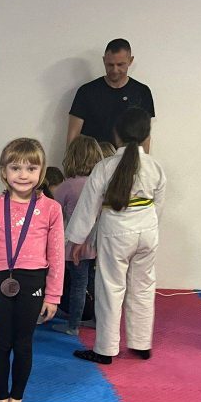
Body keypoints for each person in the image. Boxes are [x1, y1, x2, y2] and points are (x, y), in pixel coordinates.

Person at [0, 138, 64, 402]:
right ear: (4, 171)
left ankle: (17, 399)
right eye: (15, 168)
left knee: (24, 343)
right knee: (1, 343)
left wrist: (53, 295)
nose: (23, 175)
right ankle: (1, 397)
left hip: (33, 280)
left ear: (41, 172)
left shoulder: (51, 209)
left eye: (31, 168)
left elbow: (57, 255)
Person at [66, 107, 165, 364]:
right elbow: (159, 206)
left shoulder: (105, 166)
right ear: (146, 135)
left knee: (110, 289)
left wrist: (77, 240)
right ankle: (141, 344)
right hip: (147, 229)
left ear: (116, 134)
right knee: (143, 287)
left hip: (116, 232)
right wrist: (150, 228)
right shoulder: (155, 167)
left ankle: (105, 349)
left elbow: (88, 207)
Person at [52, 135, 103, 335]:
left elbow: (54, 213)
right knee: (92, 282)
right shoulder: (99, 184)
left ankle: (73, 325)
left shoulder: (67, 186)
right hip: (95, 243)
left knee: (77, 285)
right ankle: (97, 319)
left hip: (74, 244)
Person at [67, 39, 155, 151]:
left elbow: (145, 137)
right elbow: (73, 137)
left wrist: (143, 161)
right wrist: (70, 160)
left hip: (128, 159)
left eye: (120, 64)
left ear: (130, 60)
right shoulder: (86, 92)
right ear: (104, 60)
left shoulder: (142, 92)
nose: (115, 70)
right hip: (92, 159)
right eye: (110, 65)